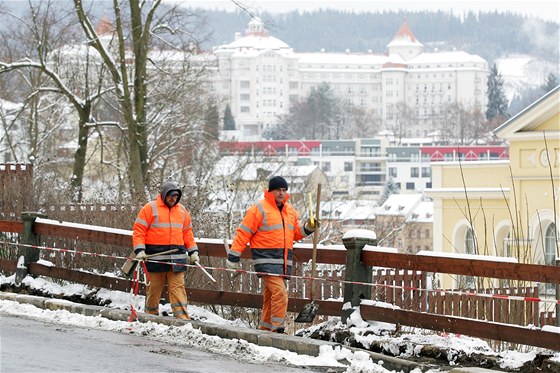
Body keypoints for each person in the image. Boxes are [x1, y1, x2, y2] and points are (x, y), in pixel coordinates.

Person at [226, 176, 317, 333]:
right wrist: (234, 257)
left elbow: (294, 234)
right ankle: (277, 330)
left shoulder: (290, 211)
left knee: (270, 297)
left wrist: (308, 228)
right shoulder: (258, 209)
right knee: (280, 294)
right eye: (278, 190)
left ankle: (265, 329)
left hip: (282, 262)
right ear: (270, 191)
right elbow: (243, 234)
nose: (281, 193)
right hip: (265, 260)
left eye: (284, 190)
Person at [132, 180, 199, 320]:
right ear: (163, 195)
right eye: (170, 195)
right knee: (153, 290)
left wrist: (194, 252)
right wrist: (140, 250)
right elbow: (139, 231)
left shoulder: (182, 211)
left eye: (175, 196)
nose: (173, 198)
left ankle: (182, 320)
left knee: (178, 289)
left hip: (177, 259)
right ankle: (150, 317)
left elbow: (188, 234)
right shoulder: (150, 208)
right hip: (155, 258)